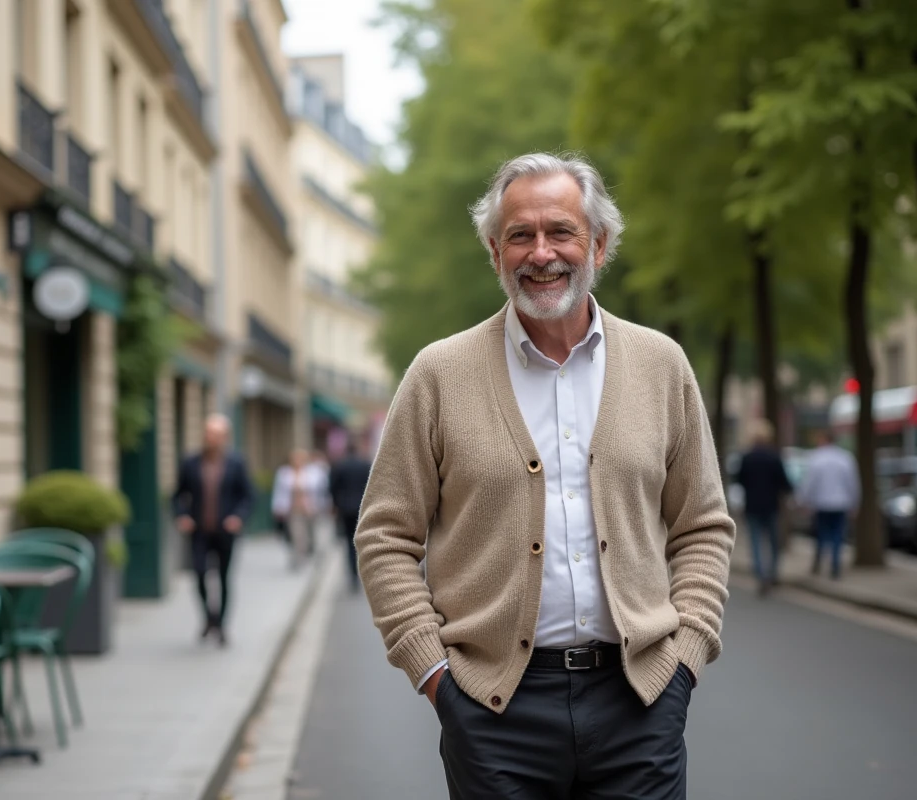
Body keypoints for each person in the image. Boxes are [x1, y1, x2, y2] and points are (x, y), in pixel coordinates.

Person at [356, 152, 735, 799]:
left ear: (600, 244)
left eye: (560, 230)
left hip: (641, 698)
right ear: (494, 252)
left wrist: (686, 660)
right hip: (493, 709)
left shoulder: (661, 365)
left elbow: (702, 524)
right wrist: (437, 677)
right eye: (519, 236)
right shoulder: (438, 374)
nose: (541, 253)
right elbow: (385, 536)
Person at [173, 414, 254, 646]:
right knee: (198, 574)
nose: (211, 438)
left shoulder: (236, 463)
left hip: (225, 532)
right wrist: (182, 516)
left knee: (224, 578)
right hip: (199, 531)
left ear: (225, 437)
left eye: (216, 434)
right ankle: (209, 618)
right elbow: (177, 496)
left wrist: (238, 517)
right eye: (208, 433)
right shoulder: (190, 462)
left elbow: (248, 496)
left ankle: (221, 626)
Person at [735, 419, 793, 594]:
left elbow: (740, 480)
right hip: (771, 505)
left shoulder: (746, 458)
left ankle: (760, 574)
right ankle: (772, 573)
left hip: (752, 505)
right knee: (773, 542)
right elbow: (784, 482)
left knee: (755, 542)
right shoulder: (774, 457)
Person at [797, 428, 860, 579]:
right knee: (838, 535)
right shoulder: (845, 458)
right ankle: (835, 566)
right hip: (841, 503)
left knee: (821, 534)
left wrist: (803, 500)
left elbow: (809, 482)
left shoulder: (816, 458)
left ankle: (818, 562)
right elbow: (853, 483)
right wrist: (855, 502)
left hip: (822, 503)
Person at [328, 436, 373, 589]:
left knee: (349, 542)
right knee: (363, 542)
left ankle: (353, 575)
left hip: (345, 508)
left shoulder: (340, 466)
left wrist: (335, 505)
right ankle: (364, 572)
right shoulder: (365, 465)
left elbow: (332, 488)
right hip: (363, 508)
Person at [271, 449, 321, 568]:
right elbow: (279, 491)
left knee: (309, 533)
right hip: (293, 510)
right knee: (297, 534)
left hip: (309, 509)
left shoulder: (312, 472)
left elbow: (318, 490)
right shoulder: (284, 473)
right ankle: (298, 557)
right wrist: (277, 508)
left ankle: (306, 551)